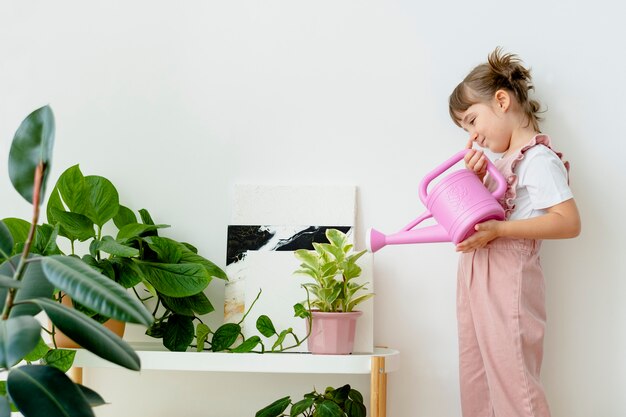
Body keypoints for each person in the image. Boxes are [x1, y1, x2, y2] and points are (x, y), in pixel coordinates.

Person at [448, 47, 581, 417]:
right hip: (477, 272)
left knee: (513, 383)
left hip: (507, 274)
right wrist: (475, 181)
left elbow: (568, 221)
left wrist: (501, 230)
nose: (473, 137)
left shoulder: (537, 159)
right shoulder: (502, 162)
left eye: (473, 121)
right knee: (477, 380)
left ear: (502, 101)